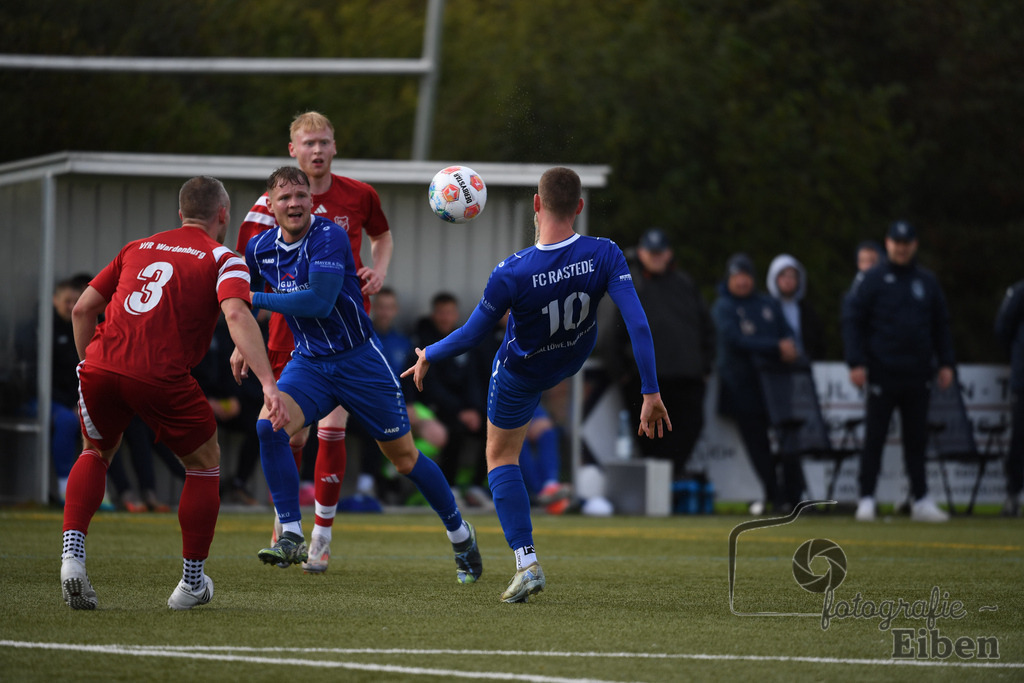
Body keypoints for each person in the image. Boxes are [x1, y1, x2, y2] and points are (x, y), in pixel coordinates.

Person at [404, 167, 671, 603]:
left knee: (500, 457)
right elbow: (637, 324)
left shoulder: (511, 271)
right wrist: (650, 391)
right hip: (568, 361)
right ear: (579, 206)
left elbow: (471, 334)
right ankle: (540, 505)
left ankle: (526, 563)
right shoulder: (606, 253)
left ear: (536, 204)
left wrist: (429, 353)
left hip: (521, 373)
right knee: (536, 427)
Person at [236, 166, 482, 584]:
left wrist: (253, 297)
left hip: (360, 362)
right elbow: (239, 304)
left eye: (301, 196)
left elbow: (319, 302)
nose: (294, 203)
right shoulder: (259, 248)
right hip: (310, 363)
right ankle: (291, 533)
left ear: (310, 201)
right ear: (270, 206)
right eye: (284, 198)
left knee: (404, 459)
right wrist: (242, 342)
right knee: (269, 426)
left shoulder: (329, 235)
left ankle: (461, 535)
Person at [60, 175, 287, 611]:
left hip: (101, 364)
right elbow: (237, 316)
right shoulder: (224, 258)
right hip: (160, 374)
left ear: (180, 213)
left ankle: (72, 557)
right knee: (204, 462)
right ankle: (192, 584)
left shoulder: (137, 247)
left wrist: (91, 365)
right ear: (223, 215)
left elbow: (82, 309)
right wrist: (267, 383)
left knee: (95, 451)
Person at [235, 110, 392, 573]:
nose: (317, 150)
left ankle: (321, 535)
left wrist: (379, 271)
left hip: (341, 328)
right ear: (293, 150)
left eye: (324, 142)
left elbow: (382, 235)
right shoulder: (267, 204)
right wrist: (242, 337)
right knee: (287, 429)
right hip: (286, 331)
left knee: (332, 427)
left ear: (334, 146)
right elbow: (248, 277)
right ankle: (288, 525)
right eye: (309, 143)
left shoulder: (359, 194)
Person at [842, 220, 955, 523]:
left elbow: (941, 325)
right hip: (882, 372)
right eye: (897, 242)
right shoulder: (872, 280)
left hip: (918, 373)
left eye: (906, 243)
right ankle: (867, 498)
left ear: (914, 245)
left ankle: (920, 498)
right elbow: (852, 321)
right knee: (875, 438)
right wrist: (855, 362)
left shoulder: (926, 281)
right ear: (888, 243)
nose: (901, 248)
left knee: (917, 439)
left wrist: (946, 362)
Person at [598, 227, 715, 480]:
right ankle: (660, 487)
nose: (656, 258)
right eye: (651, 253)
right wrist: (622, 375)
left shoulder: (684, 284)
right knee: (650, 437)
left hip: (686, 378)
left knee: (689, 428)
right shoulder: (627, 283)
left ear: (669, 254)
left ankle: (670, 481)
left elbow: (707, 328)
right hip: (645, 382)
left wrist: (705, 367)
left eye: (660, 253)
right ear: (641, 253)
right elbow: (610, 335)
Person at [711, 253, 806, 514]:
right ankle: (775, 496)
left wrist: (789, 347)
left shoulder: (767, 303)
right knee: (758, 446)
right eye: (737, 277)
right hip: (742, 389)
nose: (742, 282)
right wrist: (776, 347)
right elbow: (736, 341)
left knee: (789, 441)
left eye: (746, 276)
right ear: (729, 279)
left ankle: (794, 495)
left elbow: (788, 333)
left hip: (775, 387)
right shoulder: (723, 307)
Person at [412, 292, 492, 507]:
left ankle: (477, 487)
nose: (445, 318)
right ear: (434, 315)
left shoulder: (464, 342)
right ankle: (451, 487)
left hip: (465, 409)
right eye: (441, 313)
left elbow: (473, 380)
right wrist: (459, 411)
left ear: (456, 315)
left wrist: (474, 409)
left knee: (491, 430)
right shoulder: (424, 344)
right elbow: (431, 386)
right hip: (436, 409)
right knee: (455, 431)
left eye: (449, 313)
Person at [994, 279, 1024, 517]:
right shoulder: (1020, 291)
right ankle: (1014, 493)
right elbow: (1003, 329)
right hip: (1023, 381)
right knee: (1020, 439)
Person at [766, 253, 826, 361]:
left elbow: (818, 342)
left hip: (803, 364)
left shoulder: (807, 310)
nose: (788, 280)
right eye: (783, 275)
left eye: (792, 276)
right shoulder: (766, 308)